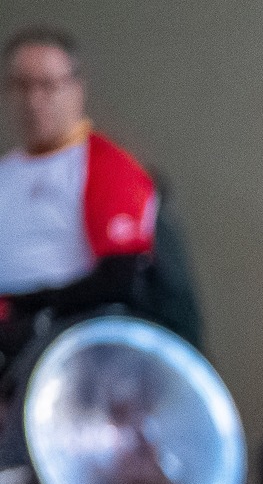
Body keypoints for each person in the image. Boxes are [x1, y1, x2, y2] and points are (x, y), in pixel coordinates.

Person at [0, 26, 158, 371]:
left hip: (67, 345)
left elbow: (121, 278)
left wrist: (34, 306)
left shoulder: (105, 166)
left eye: (47, 85)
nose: (33, 100)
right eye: (21, 86)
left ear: (76, 88)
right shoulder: (6, 173)